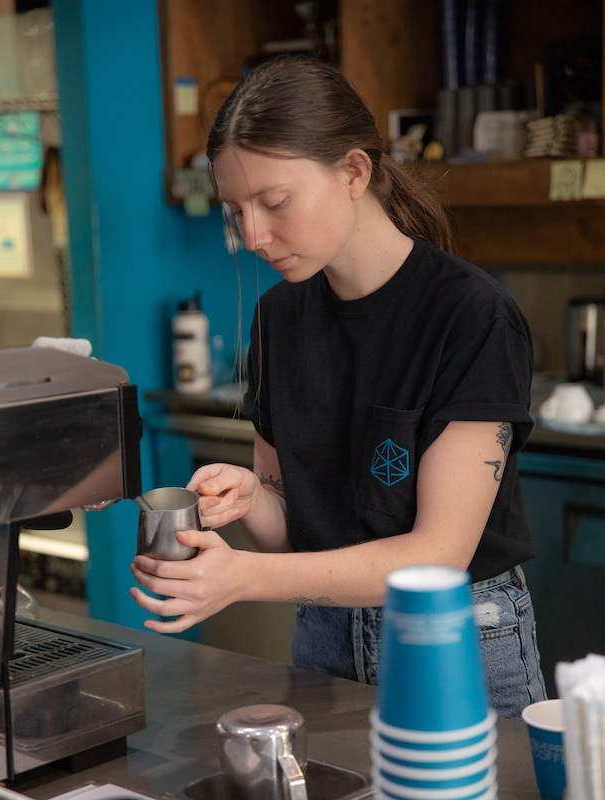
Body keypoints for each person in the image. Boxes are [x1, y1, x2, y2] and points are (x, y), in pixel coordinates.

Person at [130, 55, 547, 719]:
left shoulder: (470, 315)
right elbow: (296, 531)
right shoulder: (279, 319)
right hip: (325, 638)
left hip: (457, 640)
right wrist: (252, 501)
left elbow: (437, 559)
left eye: (274, 203)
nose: (254, 235)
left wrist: (242, 578)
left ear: (354, 171)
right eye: (236, 210)